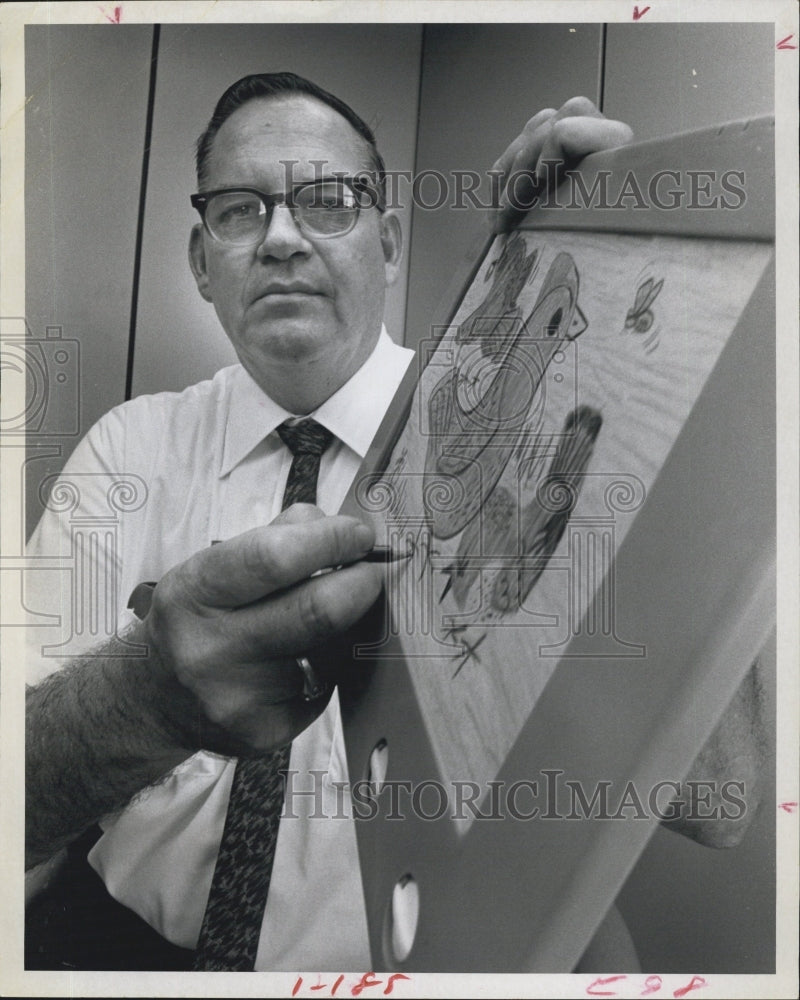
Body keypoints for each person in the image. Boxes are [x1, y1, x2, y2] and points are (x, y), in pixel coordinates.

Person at [24, 72, 762, 972]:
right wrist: (147, 694)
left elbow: (716, 799)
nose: (284, 236)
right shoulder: (125, 453)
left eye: (328, 200)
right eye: (239, 209)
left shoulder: (512, 415)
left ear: (391, 240)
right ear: (200, 258)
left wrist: (628, 303)